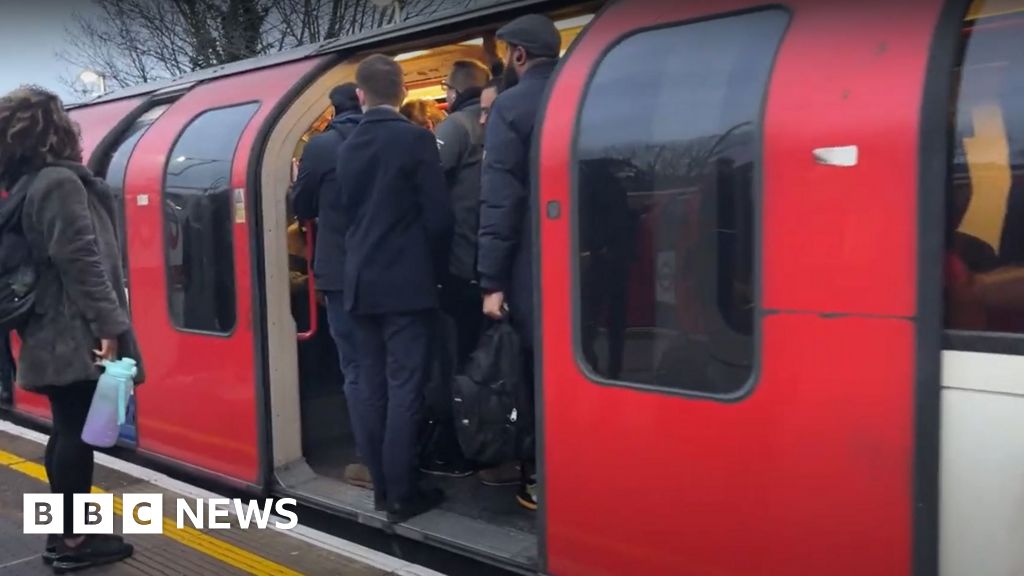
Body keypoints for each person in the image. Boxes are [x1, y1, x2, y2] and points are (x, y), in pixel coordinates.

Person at [0, 86, 142, 570]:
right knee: (78, 435)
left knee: (67, 431)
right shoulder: (59, 184)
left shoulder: (31, 184)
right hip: (74, 327)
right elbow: (82, 261)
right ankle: (76, 541)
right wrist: (110, 326)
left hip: (53, 327)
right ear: (57, 131)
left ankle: (68, 534)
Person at [338, 54, 453, 522]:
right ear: (403, 92)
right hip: (407, 284)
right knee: (405, 386)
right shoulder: (416, 140)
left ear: (361, 95)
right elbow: (440, 217)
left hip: (359, 284)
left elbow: (348, 215)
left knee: (371, 387)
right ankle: (404, 493)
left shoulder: (346, 145)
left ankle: (382, 490)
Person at [477, 14, 561, 511]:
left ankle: (540, 481)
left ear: (520, 56)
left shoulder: (512, 106)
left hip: (532, 269)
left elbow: (501, 200)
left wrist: (492, 281)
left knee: (531, 375)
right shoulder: (585, 94)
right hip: (586, 265)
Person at [288, 83, 374, 490]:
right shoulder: (403, 137)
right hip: (397, 273)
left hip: (339, 274)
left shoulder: (321, 147)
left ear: (332, 111)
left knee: (356, 368)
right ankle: (403, 454)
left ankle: (369, 460)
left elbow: (301, 204)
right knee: (395, 367)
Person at [418, 60, 491, 478]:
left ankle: (458, 448)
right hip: (492, 265)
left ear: (451, 91)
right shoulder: (493, 123)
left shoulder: (456, 127)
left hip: (459, 266)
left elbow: (426, 184)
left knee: (456, 361)